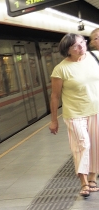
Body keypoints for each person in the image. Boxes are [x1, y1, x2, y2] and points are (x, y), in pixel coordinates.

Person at [49, 33, 99, 197]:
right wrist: (54, 120)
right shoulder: (61, 69)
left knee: (96, 146)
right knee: (83, 145)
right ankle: (84, 182)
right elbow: (55, 96)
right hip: (75, 114)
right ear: (67, 50)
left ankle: (93, 178)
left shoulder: (95, 57)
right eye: (76, 46)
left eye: (83, 42)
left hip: (96, 110)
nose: (82, 47)